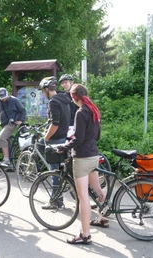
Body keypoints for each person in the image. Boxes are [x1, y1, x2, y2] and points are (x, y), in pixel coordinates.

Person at [57, 84, 107, 245]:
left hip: (82, 158)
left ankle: (85, 235)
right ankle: (103, 217)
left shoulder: (81, 112)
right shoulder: (94, 110)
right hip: (94, 155)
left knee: (83, 198)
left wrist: (64, 147)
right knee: (98, 190)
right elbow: (97, 135)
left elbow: (78, 139)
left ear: (74, 97)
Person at [38, 76, 71, 209]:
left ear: (47, 89)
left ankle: (56, 201)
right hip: (64, 137)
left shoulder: (53, 102)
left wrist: (46, 137)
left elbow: (55, 124)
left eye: (42, 91)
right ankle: (58, 199)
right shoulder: (64, 99)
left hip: (55, 140)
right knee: (59, 171)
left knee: (55, 173)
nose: (42, 94)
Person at [0, 88, 27, 166]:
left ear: (8, 94)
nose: (4, 99)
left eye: (5, 97)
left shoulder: (15, 100)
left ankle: (6, 159)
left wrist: (21, 120)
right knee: (8, 143)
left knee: (1, 138)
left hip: (12, 123)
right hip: (3, 124)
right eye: (2, 98)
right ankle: (11, 164)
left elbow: (23, 111)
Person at [58, 74, 78, 138]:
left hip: (77, 124)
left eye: (66, 82)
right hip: (66, 126)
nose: (64, 85)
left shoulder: (78, 94)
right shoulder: (62, 96)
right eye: (62, 83)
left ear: (71, 82)